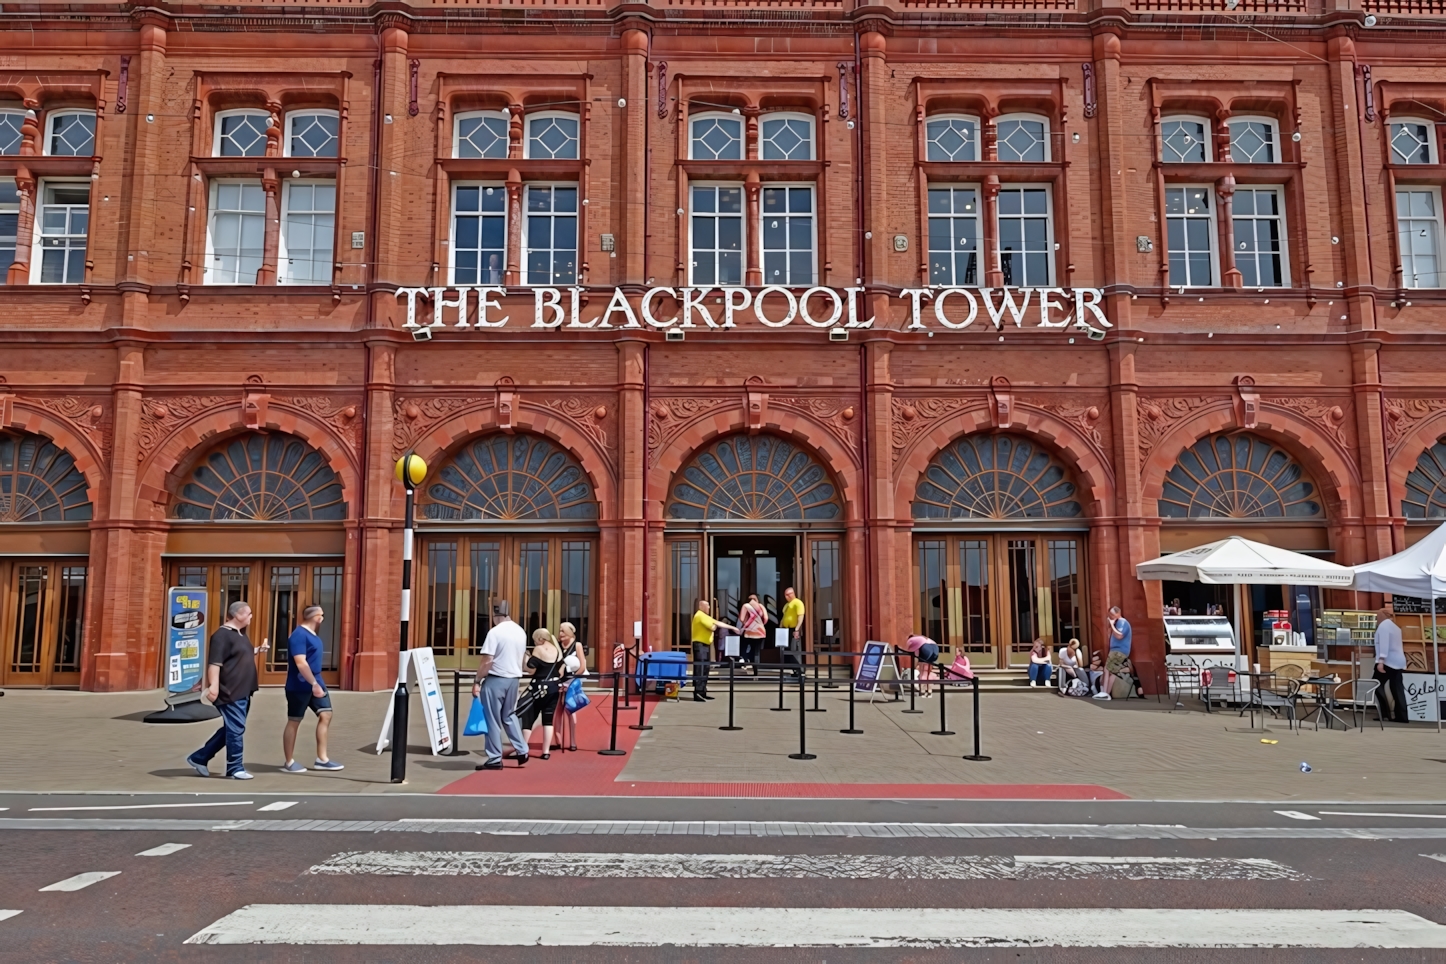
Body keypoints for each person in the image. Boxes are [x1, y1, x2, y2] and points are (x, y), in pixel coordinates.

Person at [187, 601, 266, 780]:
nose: (251, 617)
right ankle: (235, 768)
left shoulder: (240, 634)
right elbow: (215, 663)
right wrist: (213, 686)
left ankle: (199, 757)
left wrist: (258, 650)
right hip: (230, 690)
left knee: (232, 728)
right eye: (249, 614)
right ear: (238, 615)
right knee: (236, 728)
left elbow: (239, 654)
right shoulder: (221, 636)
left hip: (244, 689)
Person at [280, 605, 342, 773]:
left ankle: (322, 759)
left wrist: (317, 683)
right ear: (316, 617)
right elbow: (301, 663)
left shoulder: (313, 635)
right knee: (294, 721)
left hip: (317, 681)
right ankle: (289, 762)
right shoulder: (298, 635)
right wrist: (313, 684)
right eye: (321, 614)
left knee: (326, 714)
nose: (323, 618)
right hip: (299, 685)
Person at [470, 600, 530, 769]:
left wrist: (477, 680)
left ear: (495, 615)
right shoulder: (520, 631)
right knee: (509, 715)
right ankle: (522, 749)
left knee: (492, 719)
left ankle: (495, 757)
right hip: (514, 679)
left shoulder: (495, 632)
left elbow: (487, 660)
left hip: (496, 678)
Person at [519, 628, 565, 759]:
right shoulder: (557, 650)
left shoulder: (538, 650)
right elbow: (560, 670)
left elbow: (531, 670)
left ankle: (523, 749)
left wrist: (526, 658)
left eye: (534, 640)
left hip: (538, 687)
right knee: (548, 719)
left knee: (529, 718)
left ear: (539, 639)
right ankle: (546, 752)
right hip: (554, 687)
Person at [689, 600, 739, 702]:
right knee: (701, 668)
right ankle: (697, 693)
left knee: (706, 667)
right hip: (700, 645)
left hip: (705, 645)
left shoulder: (706, 616)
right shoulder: (700, 615)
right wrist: (715, 626)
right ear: (701, 606)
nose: (709, 608)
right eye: (707, 606)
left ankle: (703, 691)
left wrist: (733, 628)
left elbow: (718, 623)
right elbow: (713, 627)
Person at [554, 621, 587, 752]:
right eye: (560, 630)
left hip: (572, 681)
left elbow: (582, 666)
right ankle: (557, 740)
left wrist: (571, 680)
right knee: (557, 710)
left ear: (569, 632)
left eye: (563, 631)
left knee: (570, 709)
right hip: (558, 681)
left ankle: (573, 741)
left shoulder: (577, 645)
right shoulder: (557, 645)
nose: (560, 633)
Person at [1373, 605, 1409, 724]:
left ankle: (1385, 713)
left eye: (1378, 615)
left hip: (1388, 661)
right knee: (1397, 687)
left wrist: (1380, 661)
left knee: (1376, 684)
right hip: (1399, 660)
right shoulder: (1395, 627)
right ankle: (1402, 716)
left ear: (1382, 615)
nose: (1377, 618)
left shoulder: (1383, 626)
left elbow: (1383, 644)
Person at [1095, 605, 1131, 700]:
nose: (1110, 616)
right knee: (1112, 672)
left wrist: (1111, 624)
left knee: (1107, 670)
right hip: (1119, 650)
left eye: (1112, 614)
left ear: (1118, 613)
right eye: (1109, 614)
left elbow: (1119, 635)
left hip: (1118, 650)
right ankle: (1106, 693)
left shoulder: (1122, 622)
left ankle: (1105, 693)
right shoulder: (1119, 622)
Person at [738, 593, 768, 669]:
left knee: (744, 646)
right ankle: (756, 667)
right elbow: (766, 619)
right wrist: (760, 625)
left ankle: (745, 660)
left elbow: (741, 619)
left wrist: (747, 624)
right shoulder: (761, 606)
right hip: (760, 632)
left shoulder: (746, 606)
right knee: (756, 650)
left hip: (749, 631)